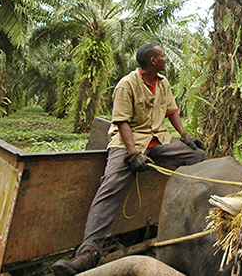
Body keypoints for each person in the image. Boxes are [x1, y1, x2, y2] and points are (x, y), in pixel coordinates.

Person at [52, 44, 206, 276]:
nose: (165, 58)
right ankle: (88, 253)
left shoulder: (162, 83)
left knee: (198, 157)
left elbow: (172, 111)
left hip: (158, 140)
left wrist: (185, 136)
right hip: (128, 142)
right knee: (111, 185)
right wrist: (133, 153)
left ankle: (189, 221)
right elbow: (122, 121)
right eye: (162, 55)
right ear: (152, 61)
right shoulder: (126, 84)